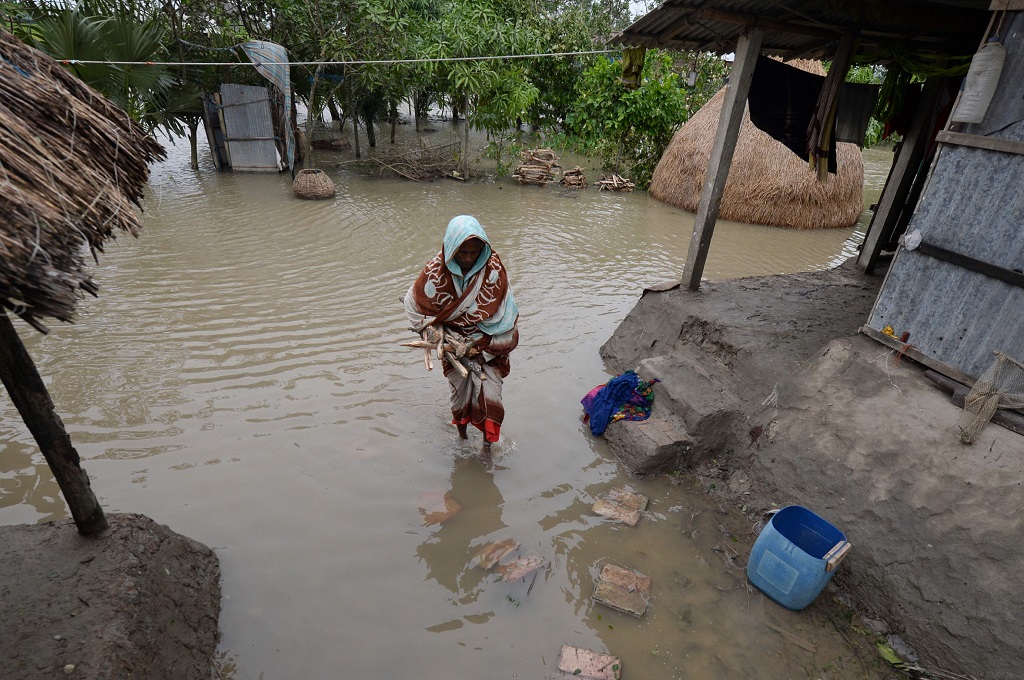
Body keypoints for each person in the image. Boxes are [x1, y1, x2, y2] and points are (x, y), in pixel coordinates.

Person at [404, 215, 519, 461]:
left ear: (482, 250)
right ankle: (462, 437)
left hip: (488, 343)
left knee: (491, 398)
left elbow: (508, 317)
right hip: (454, 345)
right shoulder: (436, 271)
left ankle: (487, 449)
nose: (467, 259)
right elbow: (413, 305)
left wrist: (484, 348)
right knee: (459, 396)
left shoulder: (493, 270)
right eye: (462, 253)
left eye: (473, 253)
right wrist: (434, 335)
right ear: (451, 249)